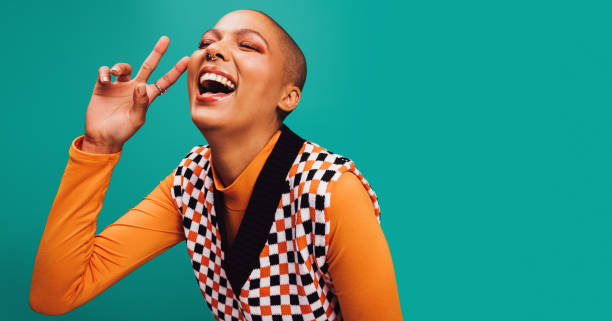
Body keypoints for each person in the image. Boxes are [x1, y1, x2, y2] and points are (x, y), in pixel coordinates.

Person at [29, 9, 402, 321]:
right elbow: (56, 294)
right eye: (207, 42)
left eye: (248, 45)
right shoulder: (189, 183)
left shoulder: (331, 191)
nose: (213, 50)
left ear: (288, 96)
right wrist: (99, 145)